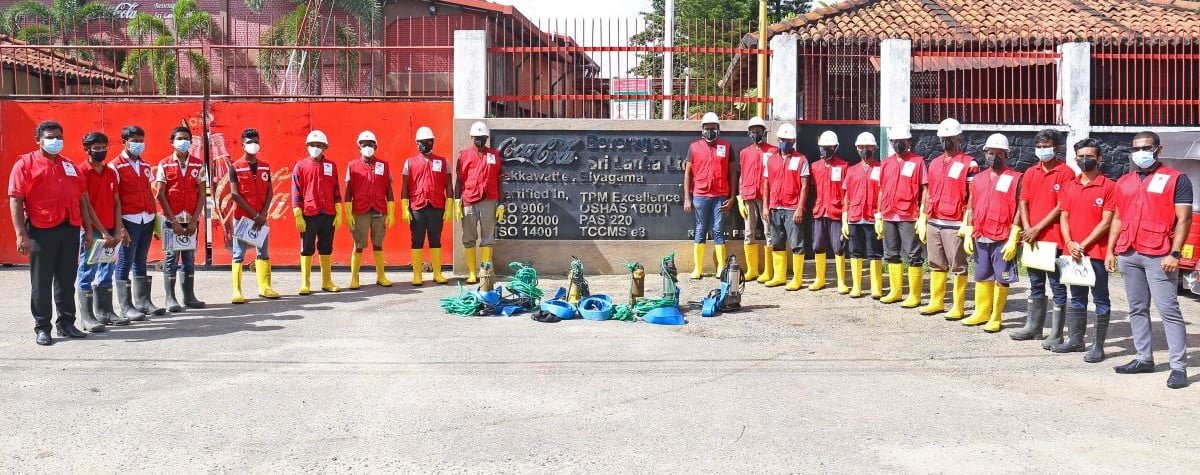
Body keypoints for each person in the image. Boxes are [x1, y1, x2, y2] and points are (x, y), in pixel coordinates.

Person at [1107, 131, 1194, 389]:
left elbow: (1184, 219)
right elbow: (1118, 218)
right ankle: (1144, 358)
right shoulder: (1124, 181)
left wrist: (1175, 253)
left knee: (1169, 311)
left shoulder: (1177, 179)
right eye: (1135, 148)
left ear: (1158, 149)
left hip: (1160, 254)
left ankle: (1178, 367)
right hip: (1130, 251)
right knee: (1136, 308)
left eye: (1145, 147)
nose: (1140, 153)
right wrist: (1111, 250)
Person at [8, 120, 96, 345]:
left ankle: (66, 323)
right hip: (41, 231)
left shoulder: (69, 165)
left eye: (59, 136)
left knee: (67, 280)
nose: (55, 141)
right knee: (41, 282)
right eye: (50, 137)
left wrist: (87, 229)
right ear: (38, 140)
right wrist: (21, 234)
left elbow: (82, 199)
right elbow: (16, 201)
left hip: (69, 229)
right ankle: (42, 327)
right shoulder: (25, 164)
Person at [1012, 129, 1075, 346]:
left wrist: (1036, 228)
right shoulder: (1030, 172)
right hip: (1033, 239)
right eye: (1038, 147)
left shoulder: (1066, 173)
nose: (1042, 150)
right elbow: (1023, 201)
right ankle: (1034, 327)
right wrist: (1028, 228)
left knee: (1057, 284)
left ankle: (1056, 333)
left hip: (1054, 238)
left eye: (1046, 146)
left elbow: (1061, 206)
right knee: (1035, 283)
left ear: (1056, 148)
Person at [1054, 138, 1115, 360]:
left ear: (1099, 158)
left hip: (1095, 254)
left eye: (1089, 156)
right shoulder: (1071, 185)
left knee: (1100, 299)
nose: (1084, 160)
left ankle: (1098, 346)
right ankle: (1076, 340)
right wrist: (1069, 242)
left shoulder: (1109, 187)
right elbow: (1064, 216)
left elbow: (1106, 222)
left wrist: (1083, 244)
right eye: (1080, 156)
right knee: (1077, 297)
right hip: (1073, 253)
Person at [960, 134, 1022, 332]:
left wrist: (1014, 236)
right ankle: (981, 312)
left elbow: (1021, 209)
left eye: (999, 154)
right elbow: (971, 205)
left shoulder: (1016, 178)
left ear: (1007, 155)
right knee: (981, 274)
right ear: (985, 153)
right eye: (991, 153)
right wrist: (969, 229)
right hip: (981, 234)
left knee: (1002, 277)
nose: (994, 157)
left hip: (1003, 236)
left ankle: (996, 317)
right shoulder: (978, 178)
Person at [919, 118, 977, 315]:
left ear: (958, 138)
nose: (945, 141)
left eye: (949, 138)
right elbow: (928, 191)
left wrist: (968, 223)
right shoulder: (934, 163)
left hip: (955, 222)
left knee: (958, 265)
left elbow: (972, 195)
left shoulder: (969, 163)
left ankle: (958, 306)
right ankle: (937, 301)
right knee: (935, 263)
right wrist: (924, 216)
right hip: (935, 221)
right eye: (943, 138)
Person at [76, 132, 130, 330]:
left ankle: (105, 312)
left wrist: (117, 230)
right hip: (92, 230)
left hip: (110, 229)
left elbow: (116, 202)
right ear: (87, 149)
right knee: (86, 271)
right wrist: (102, 232)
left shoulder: (110, 171)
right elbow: (86, 205)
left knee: (107, 270)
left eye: (104, 147)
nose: (101, 151)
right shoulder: (81, 171)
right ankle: (87, 317)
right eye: (96, 148)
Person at [109, 125, 163, 320]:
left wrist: (155, 220)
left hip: (146, 219)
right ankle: (126, 306)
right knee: (124, 262)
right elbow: (113, 199)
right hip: (128, 220)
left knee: (141, 261)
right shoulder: (115, 166)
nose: (139, 144)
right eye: (135, 141)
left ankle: (143, 302)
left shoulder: (145, 165)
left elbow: (149, 193)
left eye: (141, 141)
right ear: (124, 143)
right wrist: (120, 227)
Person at [155, 126, 207, 312]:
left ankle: (189, 297)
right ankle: (170, 298)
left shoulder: (198, 165)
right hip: (171, 219)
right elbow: (160, 194)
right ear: (172, 142)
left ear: (191, 142)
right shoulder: (165, 164)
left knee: (189, 257)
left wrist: (194, 220)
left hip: (191, 219)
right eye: (179, 138)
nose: (183, 141)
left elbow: (202, 194)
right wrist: (174, 221)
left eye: (186, 138)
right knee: (171, 258)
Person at [683, 112, 738, 280]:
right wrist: (687, 198)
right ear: (702, 130)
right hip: (700, 195)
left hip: (721, 195)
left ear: (718, 129)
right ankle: (698, 268)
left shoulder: (726, 147)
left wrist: (732, 196)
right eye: (707, 128)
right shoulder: (694, 147)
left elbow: (733, 174)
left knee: (718, 231)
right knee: (700, 230)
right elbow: (687, 174)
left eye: (712, 128)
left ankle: (721, 267)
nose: (709, 131)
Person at [228, 128, 280, 303]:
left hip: (261, 218)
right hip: (242, 218)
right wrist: (254, 215)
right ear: (242, 144)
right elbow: (235, 194)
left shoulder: (265, 165)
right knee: (238, 254)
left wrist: (263, 214)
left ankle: (265, 287)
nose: (253, 145)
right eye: (249, 142)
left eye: (256, 141)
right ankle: (237, 291)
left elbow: (270, 192)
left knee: (263, 252)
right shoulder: (235, 167)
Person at [877, 125, 926, 305]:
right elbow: (881, 190)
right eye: (895, 142)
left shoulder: (918, 162)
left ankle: (915, 295)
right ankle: (895, 292)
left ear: (909, 142)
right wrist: (878, 214)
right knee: (891, 254)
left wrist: (923, 215)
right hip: (889, 214)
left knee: (913, 254)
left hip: (908, 214)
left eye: (902, 142)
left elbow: (925, 189)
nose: (898, 144)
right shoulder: (886, 163)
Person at [292, 130, 345, 295]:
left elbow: (336, 188)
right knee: (307, 248)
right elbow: (296, 190)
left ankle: (327, 281)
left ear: (325, 147)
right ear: (307, 146)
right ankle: (305, 283)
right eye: (313, 145)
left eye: (319, 145)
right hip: (308, 213)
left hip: (328, 213)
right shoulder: (300, 166)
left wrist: (338, 209)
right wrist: (298, 213)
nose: (315, 148)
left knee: (326, 247)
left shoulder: (331, 165)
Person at [344, 130, 395, 289]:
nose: (367, 147)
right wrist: (347, 211)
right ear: (359, 146)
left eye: (370, 144)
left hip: (379, 210)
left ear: (376, 146)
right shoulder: (352, 166)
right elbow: (348, 191)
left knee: (378, 243)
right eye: (364, 144)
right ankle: (354, 278)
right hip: (360, 211)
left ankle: (381, 276)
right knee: (358, 244)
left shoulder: (383, 165)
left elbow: (389, 189)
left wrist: (391, 211)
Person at [401, 126, 452, 285]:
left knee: (435, 240)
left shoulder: (444, 162)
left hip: (437, 206)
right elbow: (404, 187)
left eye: (428, 141)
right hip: (417, 207)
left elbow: (449, 185)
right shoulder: (409, 163)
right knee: (416, 240)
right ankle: (417, 275)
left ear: (433, 142)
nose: (424, 144)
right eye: (421, 142)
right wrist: (404, 207)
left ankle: (437, 273)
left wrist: (449, 205)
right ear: (416, 143)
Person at [762, 122, 810, 290]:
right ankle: (779, 276)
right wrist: (766, 207)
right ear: (778, 139)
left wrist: (799, 208)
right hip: (775, 206)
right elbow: (766, 184)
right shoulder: (771, 159)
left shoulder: (801, 159)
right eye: (783, 139)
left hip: (792, 208)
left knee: (797, 244)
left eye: (790, 140)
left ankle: (797, 280)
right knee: (777, 242)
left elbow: (805, 185)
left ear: (794, 141)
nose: (786, 143)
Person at [455, 121, 504, 284]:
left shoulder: (494, 155)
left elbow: (499, 180)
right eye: (476, 138)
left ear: (486, 138)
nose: (479, 140)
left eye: (482, 138)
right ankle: (471, 272)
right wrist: (456, 201)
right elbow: (459, 180)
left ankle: (485, 270)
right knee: (468, 237)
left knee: (487, 237)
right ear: (471, 137)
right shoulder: (464, 155)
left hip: (489, 199)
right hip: (469, 199)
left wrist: (501, 202)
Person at [842, 132, 883, 299]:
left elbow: (883, 193)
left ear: (874, 148)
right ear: (857, 149)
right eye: (862, 147)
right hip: (855, 217)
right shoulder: (851, 171)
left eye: (868, 147)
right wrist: (844, 219)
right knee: (855, 252)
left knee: (875, 252)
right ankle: (857, 287)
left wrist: (880, 216)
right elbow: (847, 195)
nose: (865, 150)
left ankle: (876, 288)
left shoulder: (880, 169)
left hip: (873, 217)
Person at [809, 130, 850, 293]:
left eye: (829, 147)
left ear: (836, 147)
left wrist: (846, 214)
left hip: (836, 212)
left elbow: (848, 192)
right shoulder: (814, 167)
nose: (825, 150)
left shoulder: (844, 166)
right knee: (818, 245)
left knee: (838, 247)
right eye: (822, 147)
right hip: (819, 211)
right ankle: (820, 279)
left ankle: (841, 281)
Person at [738, 116, 776, 283]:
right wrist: (740, 196)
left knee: (769, 231)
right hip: (748, 195)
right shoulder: (744, 152)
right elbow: (742, 175)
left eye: (758, 131)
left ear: (764, 132)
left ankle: (769, 271)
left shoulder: (773, 151)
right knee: (749, 232)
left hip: (765, 197)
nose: (755, 134)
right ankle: (752, 270)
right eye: (752, 132)